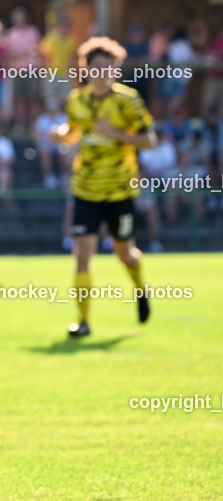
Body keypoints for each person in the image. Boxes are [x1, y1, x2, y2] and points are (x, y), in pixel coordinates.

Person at [50, 37, 157, 338]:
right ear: (87, 69)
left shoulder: (128, 100)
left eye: (108, 67)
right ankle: (83, 322)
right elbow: (73, 134)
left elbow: (150, 141)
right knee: (82, 254)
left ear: (115, 68)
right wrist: (59, 135)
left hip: (120, 189)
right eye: (96, 67)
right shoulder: (76, 101)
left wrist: (116, 133)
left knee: (125, 253)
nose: (102, 73)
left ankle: (140, 289)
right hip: (86, 188)